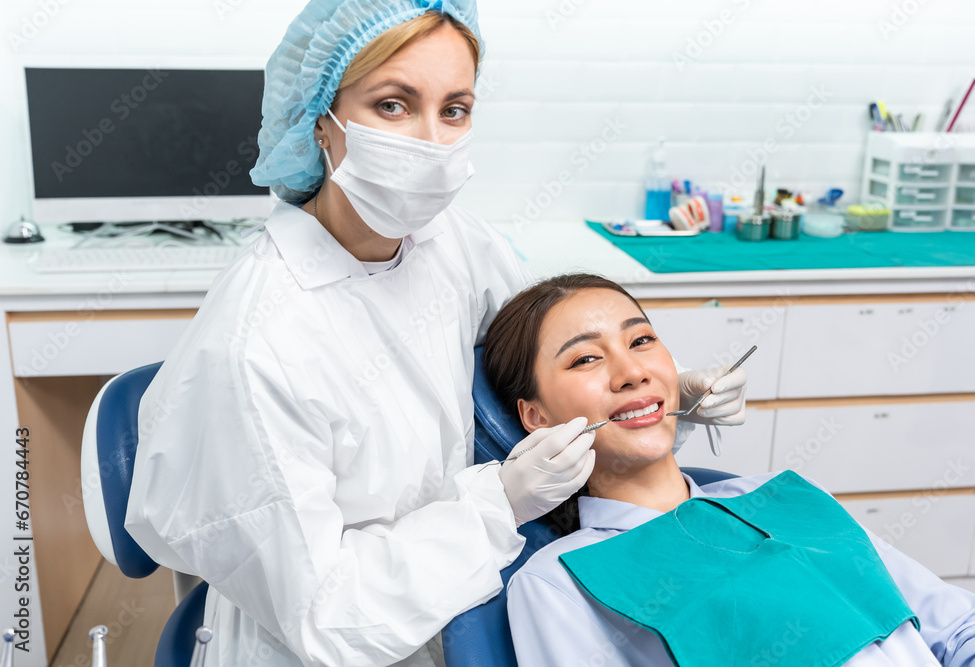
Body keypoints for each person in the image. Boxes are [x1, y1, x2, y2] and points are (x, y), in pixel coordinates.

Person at [124, 3, 749, 666]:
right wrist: (498, 504)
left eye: (454, 109)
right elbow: (322, 612)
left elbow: (556, 364)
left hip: (461, 601)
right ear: (320, 125)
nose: (429, 141)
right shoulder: (257, 344)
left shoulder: (450, 243)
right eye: (393, 106)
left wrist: (656, 398)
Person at [484, 273, 975, 667]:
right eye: (585, 360)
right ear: (537, 417)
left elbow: (964, 628)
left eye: (641, 341)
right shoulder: (559, 580)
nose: (633, 372)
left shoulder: (789, 497)